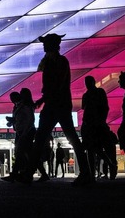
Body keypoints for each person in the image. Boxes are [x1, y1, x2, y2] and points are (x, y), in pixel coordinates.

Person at [15, 33, 92, 186]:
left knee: (56, 138)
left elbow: (58, 85)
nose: (43, 46)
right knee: (51, 138)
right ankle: (85, 173)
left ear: (53, 45)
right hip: (56, 104)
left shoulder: (58, 61)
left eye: (46, 43)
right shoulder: (52, 61)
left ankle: (85, 173)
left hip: (56, 105)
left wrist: (45, 99)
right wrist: (44, 99)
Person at [80, 76, 117, 181]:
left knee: (93, 148)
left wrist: (101, 121)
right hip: (90, 124)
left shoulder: (93, 94)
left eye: (88, 82)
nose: (87, 84)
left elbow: (104, 107)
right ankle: (94, 173)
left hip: (94, 124)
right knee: (92, 149)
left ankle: (96, 172)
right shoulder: (93, 94)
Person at [3, 89, 39, 182]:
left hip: (25, 132)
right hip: (21, 132)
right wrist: (12, 121)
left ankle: (17, 174)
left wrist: (24, 132)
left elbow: (30, 120)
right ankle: (26, 174)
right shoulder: (19, 106)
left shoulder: (25, 106)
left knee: (20, 153)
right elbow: (20, 119)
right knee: (26, 153)